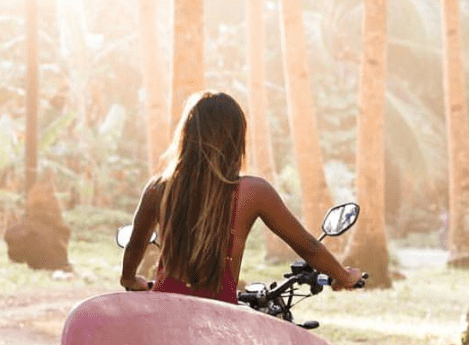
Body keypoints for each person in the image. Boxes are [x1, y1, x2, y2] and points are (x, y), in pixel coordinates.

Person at [119, 90, 361, 299]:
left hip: (166, 313)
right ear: (236, 139)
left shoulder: (159, 188)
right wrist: (344, 276)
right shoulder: (254, 192)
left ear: (187, 136)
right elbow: (308, 247)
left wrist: (129, 278)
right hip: (220, 320)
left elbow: (135, 244)